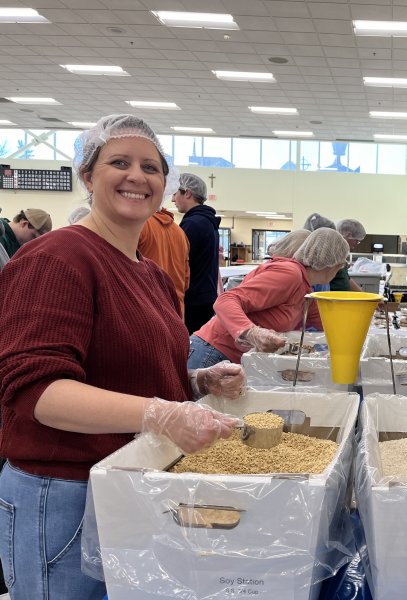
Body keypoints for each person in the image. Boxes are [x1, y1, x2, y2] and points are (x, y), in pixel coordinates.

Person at [0, 114, 246, 598]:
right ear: (87, 176)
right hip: (64, 493)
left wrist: (195, 381)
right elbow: (37, 393)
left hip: (129, 483)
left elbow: (122, 368)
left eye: (151, 168)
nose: (138, 176)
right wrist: (159, 413)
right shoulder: (58, 258)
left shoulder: (149, 273)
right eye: (120, 162)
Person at [187, 227, 350, 367]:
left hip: (235, 358)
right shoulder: (290, 274)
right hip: (212, 352)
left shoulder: (307, 288)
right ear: (332, 264)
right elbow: (225, 301)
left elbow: (324, 325)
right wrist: (251, 332)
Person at [174, 172, 220, 334]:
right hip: (205, 298)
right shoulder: (207, 221)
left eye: (174, 194)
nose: (173, 200)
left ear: (187, 193)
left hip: (193, 301)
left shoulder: (193, 224)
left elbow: (180, 265)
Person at [138, 206, 190, 316]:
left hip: (148, 311)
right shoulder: (180, 233)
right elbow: (186, 280)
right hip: (177, 311)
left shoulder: (138, 227)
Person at [331, 218, 366, 292]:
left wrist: (366, 296)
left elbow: (346, 279)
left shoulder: (339, 254)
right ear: (348, 235)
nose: (356, 244)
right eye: (357, 241)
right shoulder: (331, 253)